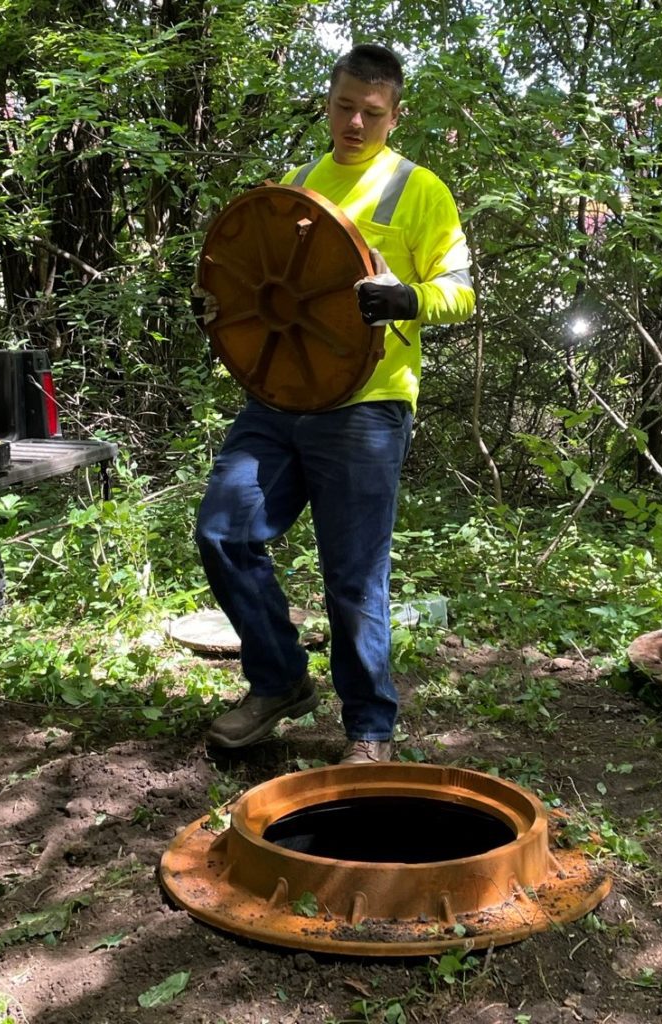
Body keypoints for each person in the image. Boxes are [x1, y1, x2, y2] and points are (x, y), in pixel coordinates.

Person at [195, 44, 475, 762]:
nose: (355, 123)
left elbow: (461, 291)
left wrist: (409, 296)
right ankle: (281, 680)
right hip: (277, 400)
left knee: (353, 577)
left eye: (372, 113)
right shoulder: (294, 184)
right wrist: (219, 308)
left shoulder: (421, 190)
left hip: (368, 407)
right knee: (225, 532)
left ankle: (369, 731)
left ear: (395, 114)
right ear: (328, 100)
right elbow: (249, 280)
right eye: (345, 106)